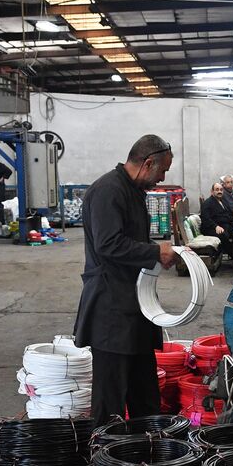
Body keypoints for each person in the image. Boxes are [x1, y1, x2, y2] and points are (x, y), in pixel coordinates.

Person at [73, 134, 177, 425]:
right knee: (110, 401)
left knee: (145, 395)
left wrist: (162, 254)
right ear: (148, 163)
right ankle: (105, 463)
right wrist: (156, 252)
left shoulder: (132, 192)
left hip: (135, 307)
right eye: (163, 170)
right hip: (111, 310)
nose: (163, 177)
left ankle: (148, 454)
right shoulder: (109, 191)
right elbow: (109, 244)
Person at [200, 181, 233, 262]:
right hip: (210, 228)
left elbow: (226, 215)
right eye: (217, 189)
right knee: (223, 235)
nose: (219, 191)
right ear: (212, 192)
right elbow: (205, 218)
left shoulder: (222, 201)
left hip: (223, 225)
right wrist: (215, 226)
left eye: (221, 190)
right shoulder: (208, 203)